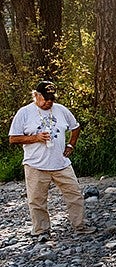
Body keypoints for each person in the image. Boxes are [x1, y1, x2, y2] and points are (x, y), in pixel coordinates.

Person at [8, 81, 95, 238]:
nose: (49, 102)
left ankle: (80, 225)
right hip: (35, 164)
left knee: (75, 194)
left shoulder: (61, 110)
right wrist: (35, 138)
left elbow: (75, 127)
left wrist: (71, 145)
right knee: (37, 200)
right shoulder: (25, 112)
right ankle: (41, 231)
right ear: (36, 95)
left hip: (60, 163)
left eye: (51, 99)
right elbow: (13, 138)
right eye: (46, 99)